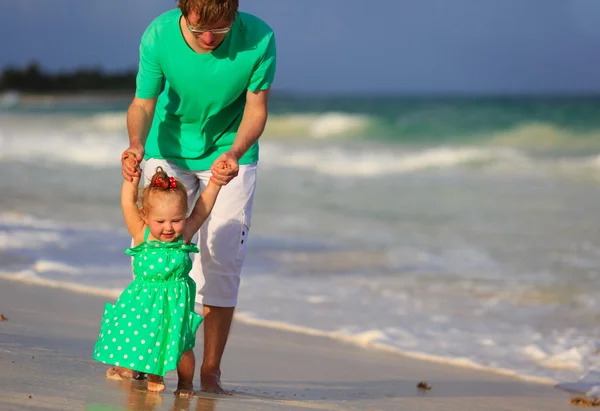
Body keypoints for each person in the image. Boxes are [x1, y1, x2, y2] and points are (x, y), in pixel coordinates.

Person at [120, 0, 276, 394]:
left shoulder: (259, 39)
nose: (209, 39)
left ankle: (210, 371)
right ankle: (144, 357)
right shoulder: (158, 34)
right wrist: (136, 144)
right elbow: (143, 103)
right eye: (198, 29)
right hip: (168, 149)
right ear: (183, 12)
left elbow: (257, 109)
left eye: (220, 30)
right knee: (155, 246)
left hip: (229, 152)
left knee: (222, 259)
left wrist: (235, 153)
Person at [94, 164, 223, 396]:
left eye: (175, 220)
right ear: (146, 215)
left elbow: (202, 209)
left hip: (176, 306)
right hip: (145, 304)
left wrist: (214, 183)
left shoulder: (184, 236)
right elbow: (127, 203)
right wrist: (131, 180)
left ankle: (185, 383)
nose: (168, 228)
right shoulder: (140, 233)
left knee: (183, 347)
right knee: (146, 340)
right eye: (161, 221)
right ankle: (155, 375)